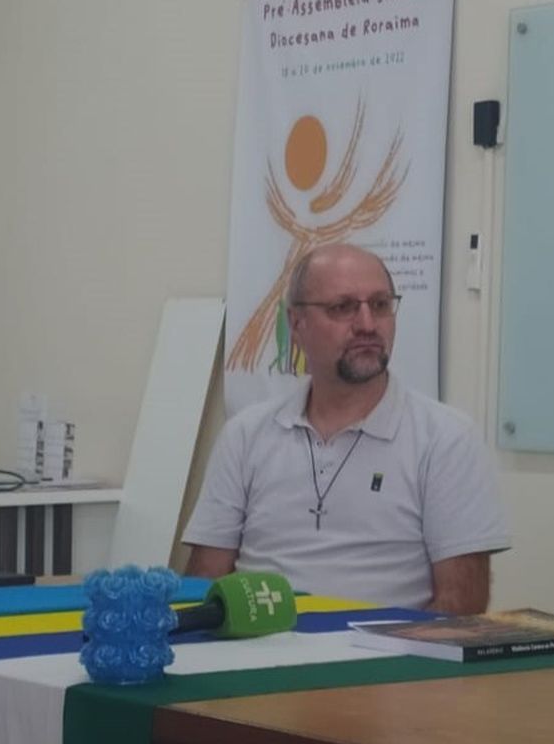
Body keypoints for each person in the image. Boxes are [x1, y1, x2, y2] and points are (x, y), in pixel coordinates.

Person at [183, 244, 509, 612]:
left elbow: (461, 604)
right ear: (296, 324)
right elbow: (204, 582)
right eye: (343, 308)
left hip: (386, 661)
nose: (368, 325)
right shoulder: (246, 434)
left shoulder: (446, 438)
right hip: (259, 651)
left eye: (381, 305)